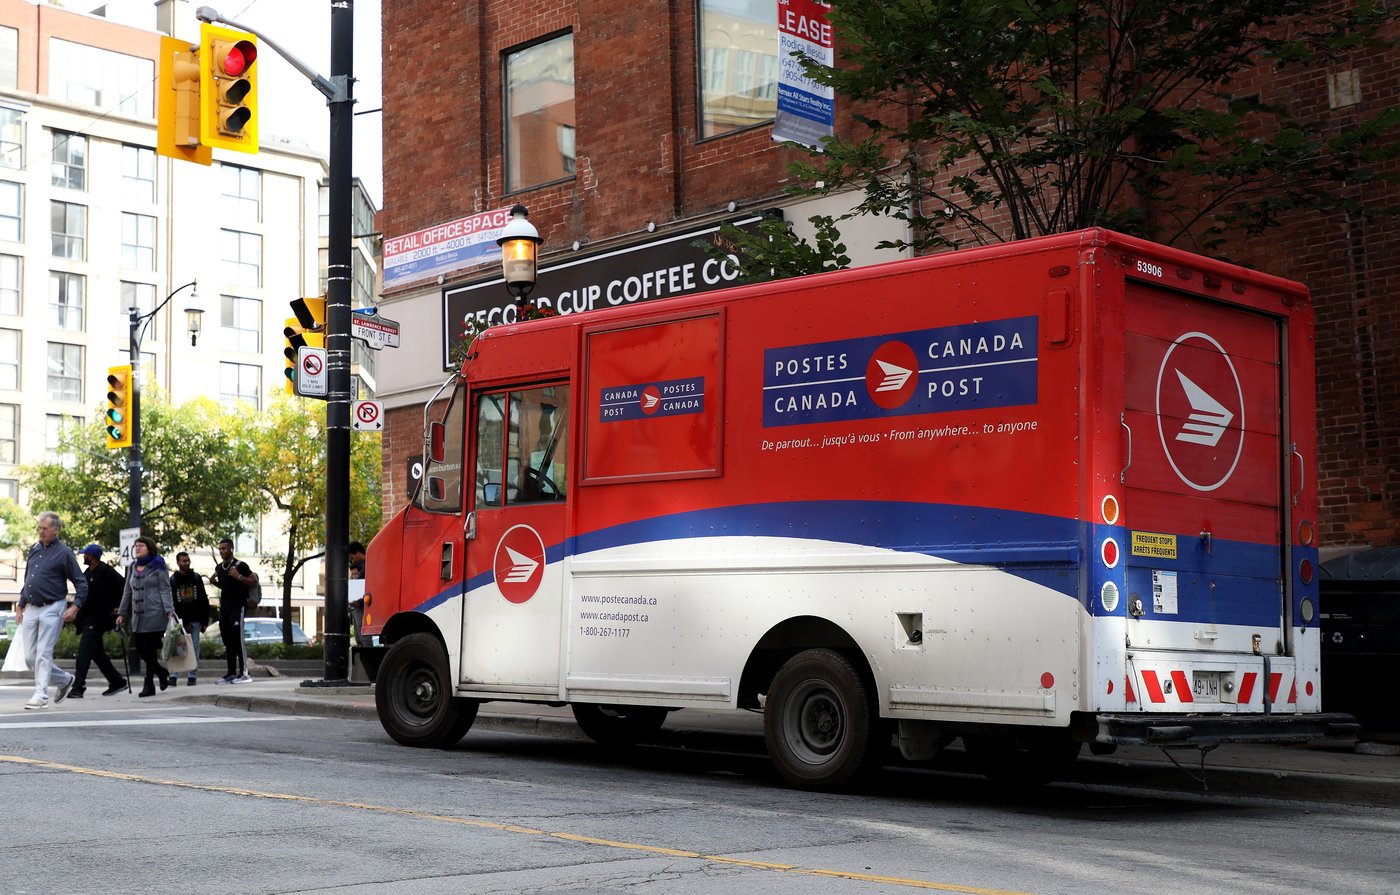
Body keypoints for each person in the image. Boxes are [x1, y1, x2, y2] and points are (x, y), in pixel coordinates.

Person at [17, 512, 87, 709]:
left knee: (43, 654)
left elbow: (81, 582)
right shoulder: (34, 549)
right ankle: (64, 680)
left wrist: (75, 607)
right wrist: (21, 605)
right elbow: (28, 579)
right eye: (39, 528)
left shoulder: (64, 553)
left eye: (45, 529)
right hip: (32, 607)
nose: (41, 532)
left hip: (53, 606)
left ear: (56, 530)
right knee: (30, 657)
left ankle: (41, 696)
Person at [116, 536, 175, 698]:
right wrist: (121, 613)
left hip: (155, 613)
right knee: (142, 651)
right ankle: (161, 672)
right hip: (137, 617)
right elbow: (127, 591)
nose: (137, 548)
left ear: (150, 547)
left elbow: (165, 589)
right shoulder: (133, 567)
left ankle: (149, 684)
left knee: (149, 650)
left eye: (141, 546)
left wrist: (169, 610)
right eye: (136, 546)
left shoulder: (158, 565)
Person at [71, 544, 128, 698]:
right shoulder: (87, 573)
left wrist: (118, 606)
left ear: (92, 556)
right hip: (88, 618)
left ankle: (78, 687)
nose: (83, 557)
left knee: (83, 653)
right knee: (97, 653)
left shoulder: (106, 572)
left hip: (98, 619)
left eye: (86, 555)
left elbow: (124, 586)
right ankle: (117, 681)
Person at [210, 537, 254, 684]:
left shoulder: (240, 565)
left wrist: (239, 576)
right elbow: (226, 587)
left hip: (238, 607)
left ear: (231, 549)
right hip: (225, 608)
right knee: (228, 641)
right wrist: (214, 582)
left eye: (224, 548)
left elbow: (253, 581)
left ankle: (245, 673)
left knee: (238, 640)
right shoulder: (219, 568)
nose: (222, 551)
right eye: (220, 549)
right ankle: (231, 673)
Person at [170, 551, 211, 686]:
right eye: (183, 561)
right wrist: (183, 621)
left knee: (194, 647)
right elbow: (174, 603)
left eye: (188, 560)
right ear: (178, 562)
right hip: (179, 621)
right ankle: (173, 676)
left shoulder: (196, 578)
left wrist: (204, 621)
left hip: (195, 620)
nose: (186, 563)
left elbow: (203, 600)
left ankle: (192, 676)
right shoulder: (173, 580)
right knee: (176, 647)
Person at [348, 541, 367, 646]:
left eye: (352, 558)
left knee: (363, 638)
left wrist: (359, 601)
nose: (352, 562)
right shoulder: (360, 567)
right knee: (359, 638)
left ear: (359, 554)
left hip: (361, 606)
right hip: (357, 605)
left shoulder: (365, 567)